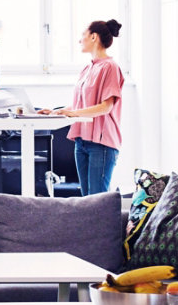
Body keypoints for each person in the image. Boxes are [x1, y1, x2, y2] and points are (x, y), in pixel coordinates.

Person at [40, 19, 125, 195]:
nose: (80, 40)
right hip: (82, 142)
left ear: (94, 37)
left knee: (97, 202)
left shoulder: (110, 67)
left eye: (83, 35)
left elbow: (105, 107)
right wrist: (57, 111)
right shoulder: (87, 68)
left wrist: (71, 113)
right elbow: (82, 104)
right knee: (86, 203)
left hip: (101, 145)